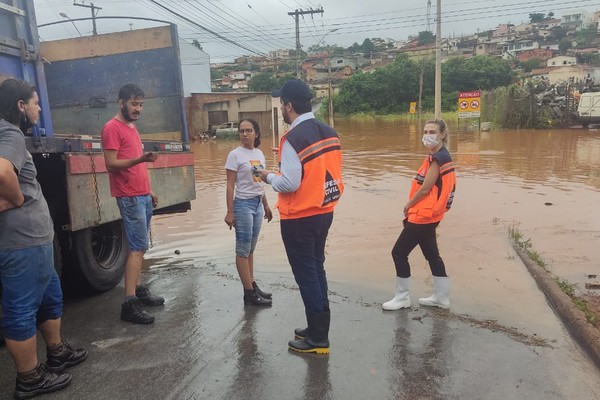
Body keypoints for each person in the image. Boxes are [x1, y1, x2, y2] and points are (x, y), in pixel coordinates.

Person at [0, 78, 87, 399]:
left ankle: (56, 351)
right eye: (35, 102)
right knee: (21, 309)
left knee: (50, 296)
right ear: (21, 106)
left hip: (33, 241)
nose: (39, 108)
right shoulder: (8, 132)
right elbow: (2, 173)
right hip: (22, 241)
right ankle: (30, 378)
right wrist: (17, 199)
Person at [257, 79, 344, 354]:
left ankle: (318, 339)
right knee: (317, 269)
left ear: (289, 106)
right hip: (324, 212)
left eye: (282, 106)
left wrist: (266, 175)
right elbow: (316, 168)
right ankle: (318, 327)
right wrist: (286, 161)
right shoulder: (329, 131)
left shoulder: (292, 138)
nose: (282, 110)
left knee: (306, 274)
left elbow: (290, 184)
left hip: (300, 218)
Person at [101, 83, 164, 325]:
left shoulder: (132, 127)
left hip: (141, 195)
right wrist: (140, 158)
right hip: (129, 197)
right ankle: (129, 304)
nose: (138, 109)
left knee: (140, 246)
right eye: (133, 104)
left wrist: (149, 191)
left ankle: (136, 291)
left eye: (140, 104)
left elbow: (136, 168)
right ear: (121, 102)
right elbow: (111, 163)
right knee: (137, 247)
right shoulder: (112, 128)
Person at [382, 119, 456, 311]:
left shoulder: (438, 158)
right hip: (431, 215)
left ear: (442, 135)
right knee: (432, 254)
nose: (427, 135)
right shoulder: (441, 156)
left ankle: (402, 297)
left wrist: (408, 205)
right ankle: (441, 297)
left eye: (432, 131)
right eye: (425, 131)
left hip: (423, 215)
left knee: (398, 253)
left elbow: (425, 189)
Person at [224, 118, 273, 306]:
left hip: (257, 205)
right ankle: (249, 293)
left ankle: (251, 284)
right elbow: (229, 186)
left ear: (256, 133)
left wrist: (266, 204)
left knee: (251, 249)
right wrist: (230, 212)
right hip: (242, 205)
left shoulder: (259, 154)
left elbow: (258, 181)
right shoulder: (235, 155)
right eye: (242, 130)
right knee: (243, 250)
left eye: (249, 130)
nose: (245, 134)